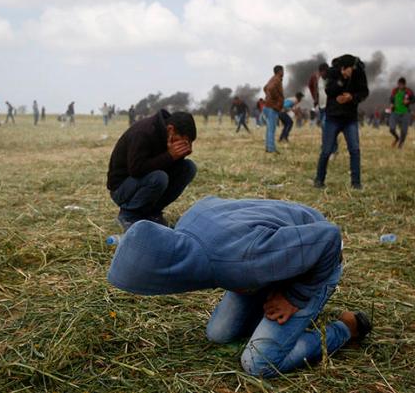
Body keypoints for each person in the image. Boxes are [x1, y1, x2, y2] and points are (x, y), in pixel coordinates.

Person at [107, 196, 373, 378]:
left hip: (316, 261)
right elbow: (212, 203)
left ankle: (346, 328)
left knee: (258, 363)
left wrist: (295, 297)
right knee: (219, 333)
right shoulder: (187, 228)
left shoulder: (238, 260)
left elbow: (329, 237)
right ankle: (271, 305)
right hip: (268, 258)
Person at [106, 109, 197, 231]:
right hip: (122, 188)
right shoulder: (144, 132)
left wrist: (179, 157)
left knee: (188, 168)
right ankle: (129, 214)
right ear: (170, 130)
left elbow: (168, 168)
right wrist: (169, 156)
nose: (184, 145)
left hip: (144, 181)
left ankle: (152, 213)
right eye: (182, 140)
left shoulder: (168, 136)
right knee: (159, 178)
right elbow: (136, 170)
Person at [314, 54, 369, 189]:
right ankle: (319, 180)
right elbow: (329, 90)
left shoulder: (359, 74)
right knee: (326, 150)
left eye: (353, 69)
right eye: (349, 69)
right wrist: (341, 79)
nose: (352, 71)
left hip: (350, 118)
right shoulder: (333, 72)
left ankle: (356, 183)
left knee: (355, 150)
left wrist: (352, 97)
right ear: (343, 68)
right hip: (333, 117)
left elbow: (364, 92)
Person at [388, 77, 415, 149]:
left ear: (404, 85)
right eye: (399, 84)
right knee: (391, 128)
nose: (400, 86)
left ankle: (401, 144)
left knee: (404, 131)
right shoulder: (394, 91)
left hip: (405, 113)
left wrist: (408, 101)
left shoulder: (408, 91)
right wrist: (391, 104)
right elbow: (391, 99)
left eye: (401, 85)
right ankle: (397, 138)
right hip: (395, 112)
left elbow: (414, 99)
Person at [263, 65, 284, 153]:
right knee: (272, 129)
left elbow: (265, 88)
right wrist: (277, 100)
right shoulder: (277, 79)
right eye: (282, 71)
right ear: (279, 71)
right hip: (272, 107)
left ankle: (268, 147)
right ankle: (271, 149)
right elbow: (271, 89)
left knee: (269, 129)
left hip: (268, 106)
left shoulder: (272, 79)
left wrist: (268, 97)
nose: (283, 73)